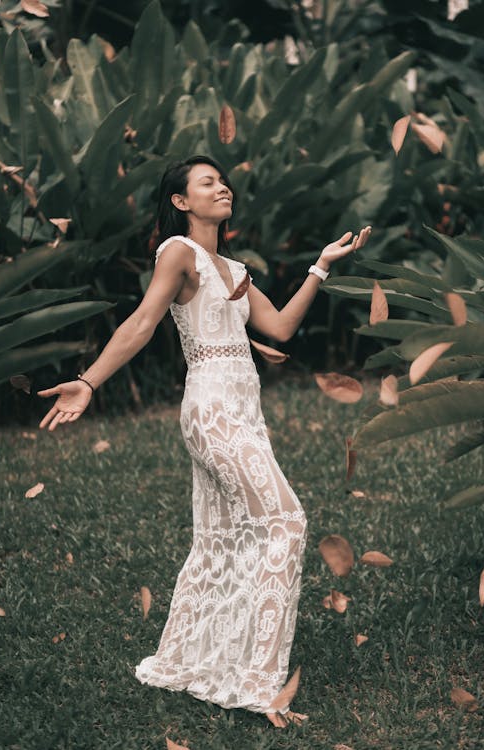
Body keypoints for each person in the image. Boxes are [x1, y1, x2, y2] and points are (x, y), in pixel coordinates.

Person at [38, 155, 371, 727]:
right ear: (180, 202)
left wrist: (319, 267)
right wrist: (90, 382)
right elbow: (143, 320)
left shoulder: (234, 267)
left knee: (221, 538)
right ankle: (261, 685)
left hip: (246, 409)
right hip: (212, 408)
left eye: (223, 180)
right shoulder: (179, 253)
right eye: (206, 182)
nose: (222, 187)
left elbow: (281, 328)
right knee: (286, 523)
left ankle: (197, 660)